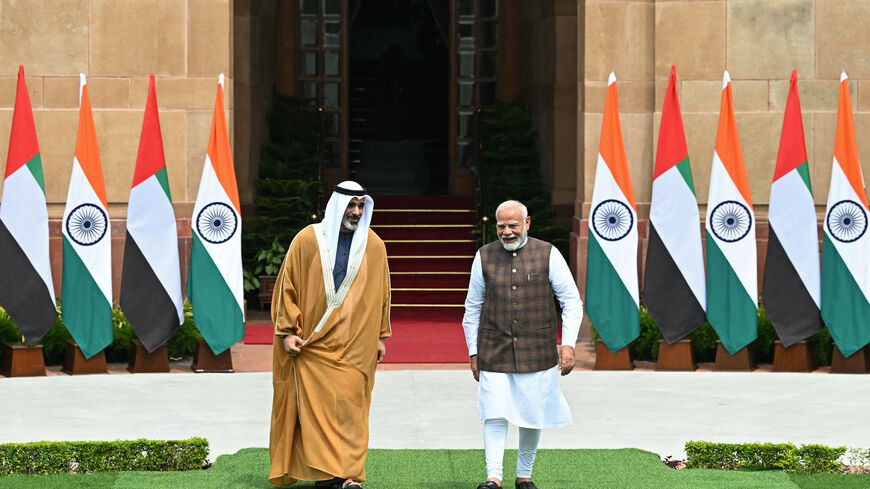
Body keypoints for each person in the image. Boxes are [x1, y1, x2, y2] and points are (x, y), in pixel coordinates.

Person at [269, 181, 391, 489]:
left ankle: (347, 473)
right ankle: (330, 477)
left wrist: (380, 336)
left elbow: (383, 294)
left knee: (351, 410)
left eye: (361, 206)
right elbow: (287, 287)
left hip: (356, 345)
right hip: (312, 344)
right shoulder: (307, 240)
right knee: (315, 414)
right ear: (337, 206)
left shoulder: (374, 245)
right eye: (351, 205)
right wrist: (287, 332)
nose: (356, 212)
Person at [462, 200, 582, 489]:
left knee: (531, 413)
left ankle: (524, 476)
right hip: (493, 348)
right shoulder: (484, 256)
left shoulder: (548, 253)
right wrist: (473, 351)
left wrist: (568, 345)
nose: (507, 231)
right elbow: (472, 308)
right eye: (501, 226)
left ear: (527, 223)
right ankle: (494, 478)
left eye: (513, 225)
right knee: (494, 411)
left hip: (537, 349)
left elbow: (571, 302)